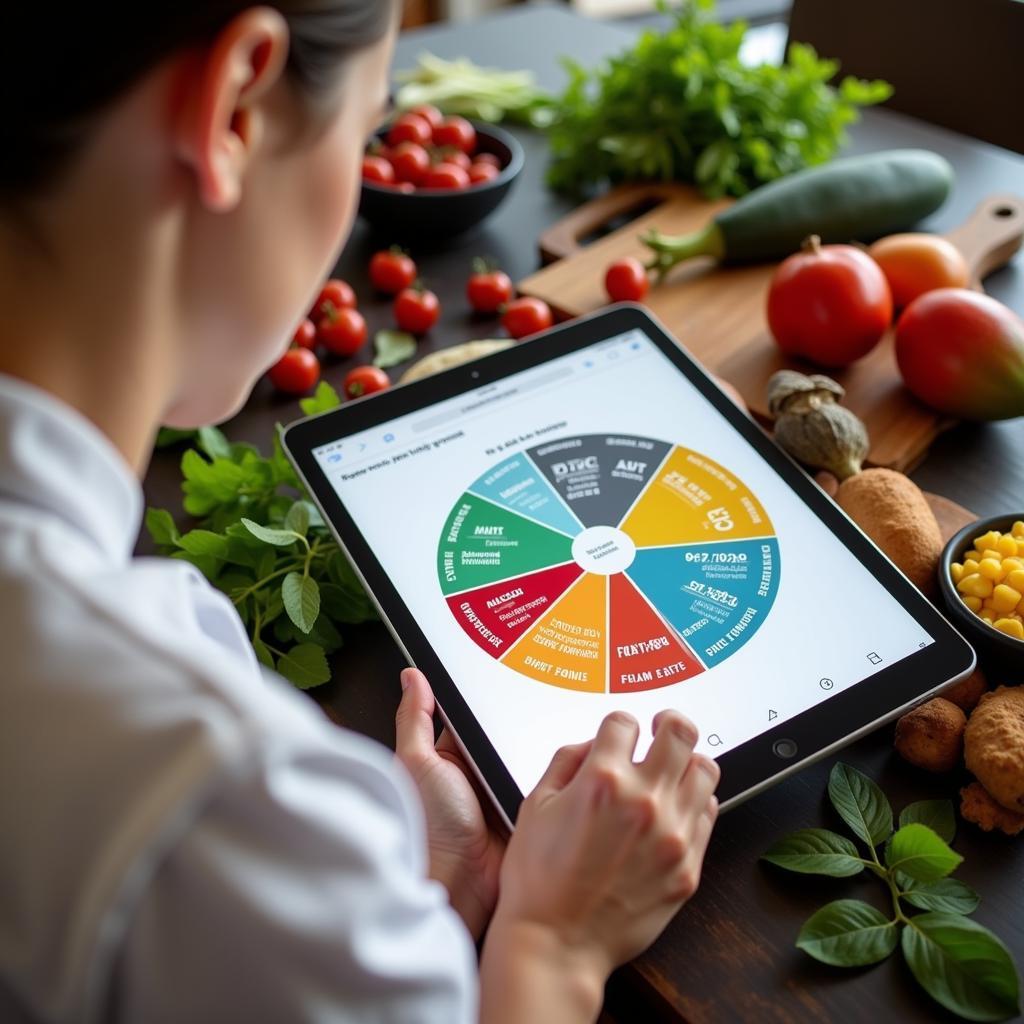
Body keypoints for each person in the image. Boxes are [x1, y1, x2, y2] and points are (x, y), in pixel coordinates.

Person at [0, 3, 720, 1021]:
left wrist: (408, 901)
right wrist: (554, 941)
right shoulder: (218, 794)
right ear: (235, 111)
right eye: (369, 124)